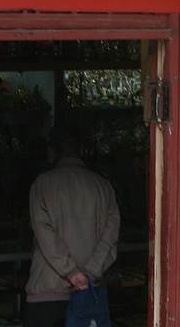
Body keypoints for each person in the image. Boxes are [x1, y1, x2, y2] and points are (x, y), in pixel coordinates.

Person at [22, 121, 120, 327]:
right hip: (90, 294)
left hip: (47, 292)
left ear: (52, 150)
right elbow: (110, 238)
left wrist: (71, 273)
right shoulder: (104, 187)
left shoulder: (42, 185)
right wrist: (89, 274)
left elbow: (44, 234)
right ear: (81, 150)